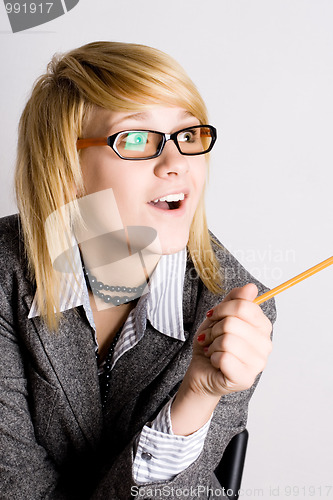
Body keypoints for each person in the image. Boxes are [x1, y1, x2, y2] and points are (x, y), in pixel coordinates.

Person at [0, 41, 276, 499]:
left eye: (188, 136)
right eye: (135, 139)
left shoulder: (236, 307)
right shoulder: (5, 271)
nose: (177, 164)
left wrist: (199, 396)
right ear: (66, 166)